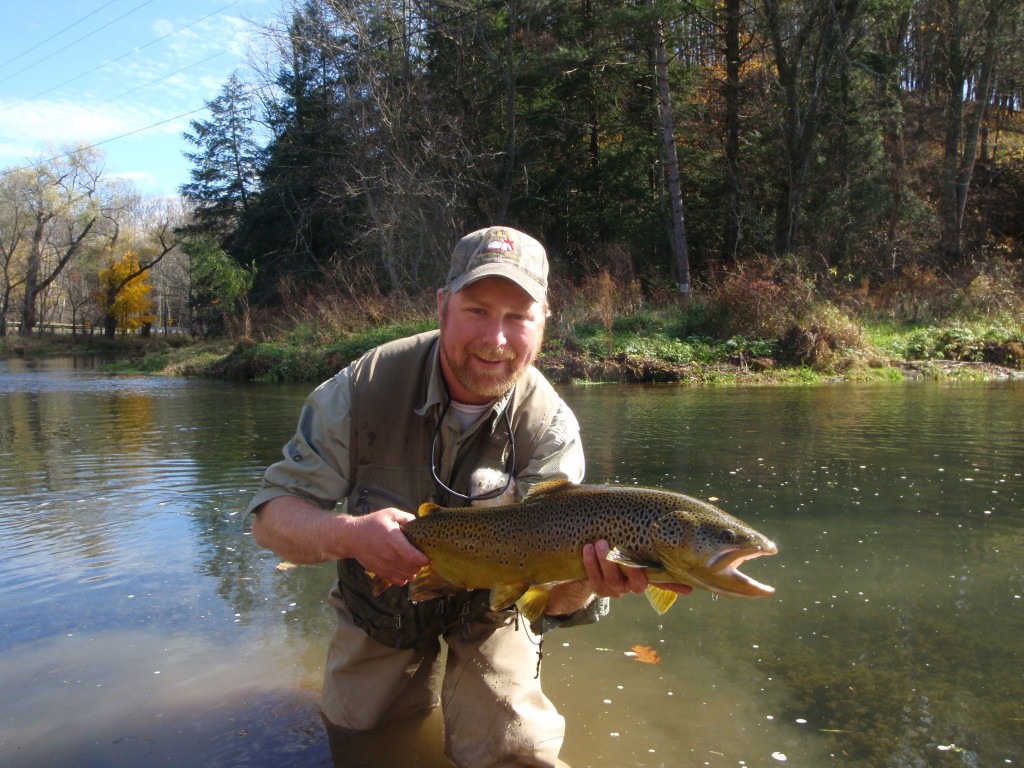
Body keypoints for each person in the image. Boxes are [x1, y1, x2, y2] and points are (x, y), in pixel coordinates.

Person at [247, 226, 691, 767]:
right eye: (477, 309)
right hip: (383, 608)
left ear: (543, 322)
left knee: (521, 753)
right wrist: (350, 535)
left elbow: (549, 602)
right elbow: (271, 520)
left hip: (493, 614)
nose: (495, 339)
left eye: (517, 317)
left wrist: (586, 583)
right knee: (359, 741)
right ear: (442, 307)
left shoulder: (549, 426)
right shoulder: (363, 387)